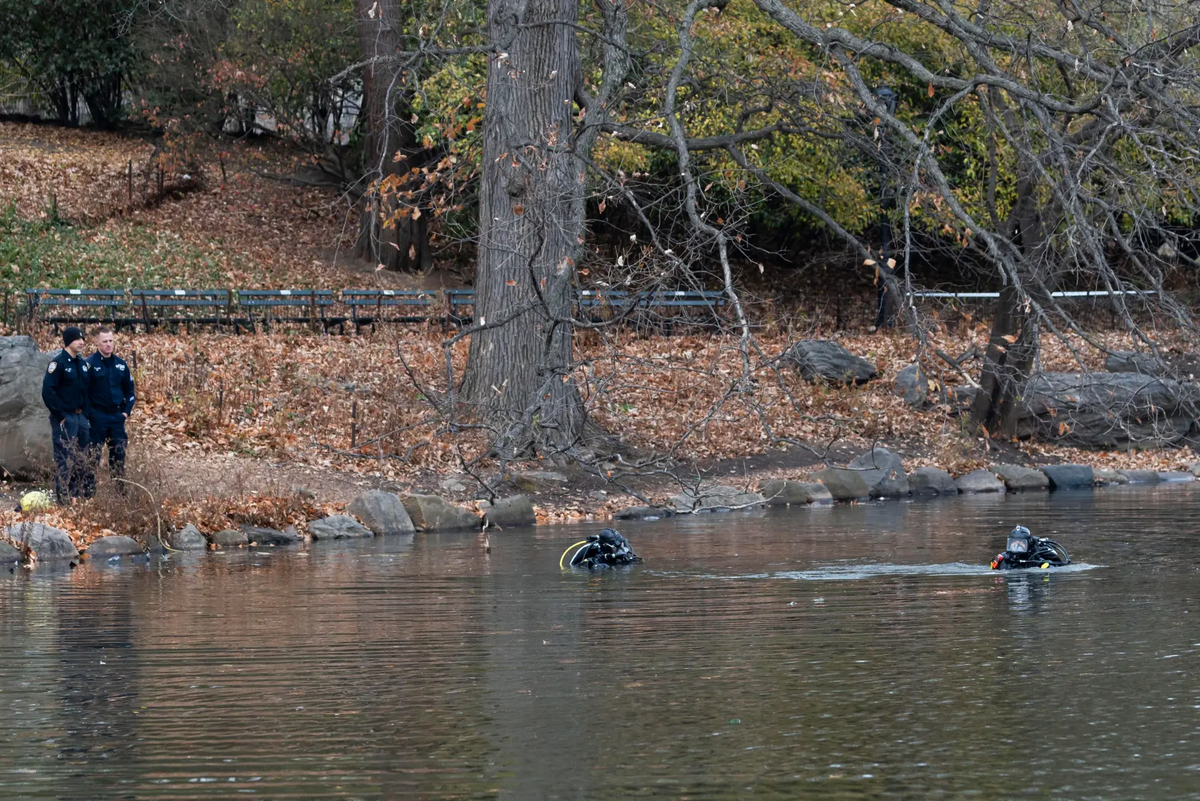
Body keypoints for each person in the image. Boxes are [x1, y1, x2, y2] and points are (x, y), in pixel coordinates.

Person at [42, 327, 93, 503]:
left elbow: (87, 391)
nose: (82, 342)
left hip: (81, 418)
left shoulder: (82, 364)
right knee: (64, 458)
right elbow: (48, 392)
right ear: (68, 341)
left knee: (82, 457)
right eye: (78, 339)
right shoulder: (58, 364)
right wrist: (61, 415)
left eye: (83, 339)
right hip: (65, 418)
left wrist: (85, 414)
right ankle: (63, 498)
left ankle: (76, 495)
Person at [85, 326, 135, 483]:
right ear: (97, 343)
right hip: (97, 417)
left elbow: (130, 392)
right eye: (105, 341)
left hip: (116, 417)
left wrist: (125, 413)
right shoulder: (89, 364)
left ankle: (119, 494)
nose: (108, 344)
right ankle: (89, 494)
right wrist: (90, 414)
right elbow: (82, 393)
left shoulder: (121, 364)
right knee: (92, 457)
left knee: (119, 457)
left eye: (111, 341)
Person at [990, 525, 1071, 570]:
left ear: (1029, 544)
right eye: (1013, 544)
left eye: (1021, 544)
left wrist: (1046, 570)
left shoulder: (1036, 561)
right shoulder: (1003, 561)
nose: (1016, 547)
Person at [561, 528, 642, 570]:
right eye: (616, 546)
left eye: (621, 544)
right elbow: (572, 566)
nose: (620, 548)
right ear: (606, 546)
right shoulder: (590, 549)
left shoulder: (623, 550)